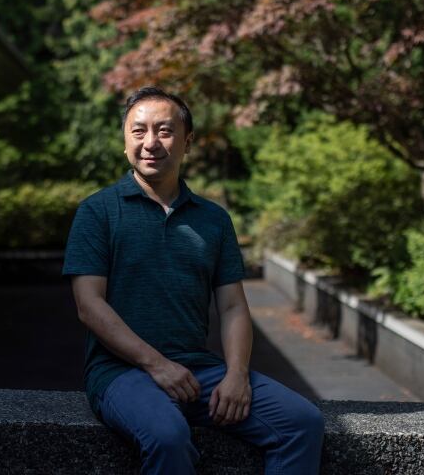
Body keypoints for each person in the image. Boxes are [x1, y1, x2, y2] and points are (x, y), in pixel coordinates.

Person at [62, 86, 324, 474]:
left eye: (164, 131)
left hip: (198, 371)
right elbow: (89, 305)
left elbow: (233, 306)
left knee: (302, 424)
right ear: (124, 142)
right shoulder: (97, 212)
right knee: (167, 436)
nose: (151, 142)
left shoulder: (213, 219)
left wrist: (237, 375)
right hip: (120, 373)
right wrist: (156, 364)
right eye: (138, 131)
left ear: (187, 142)